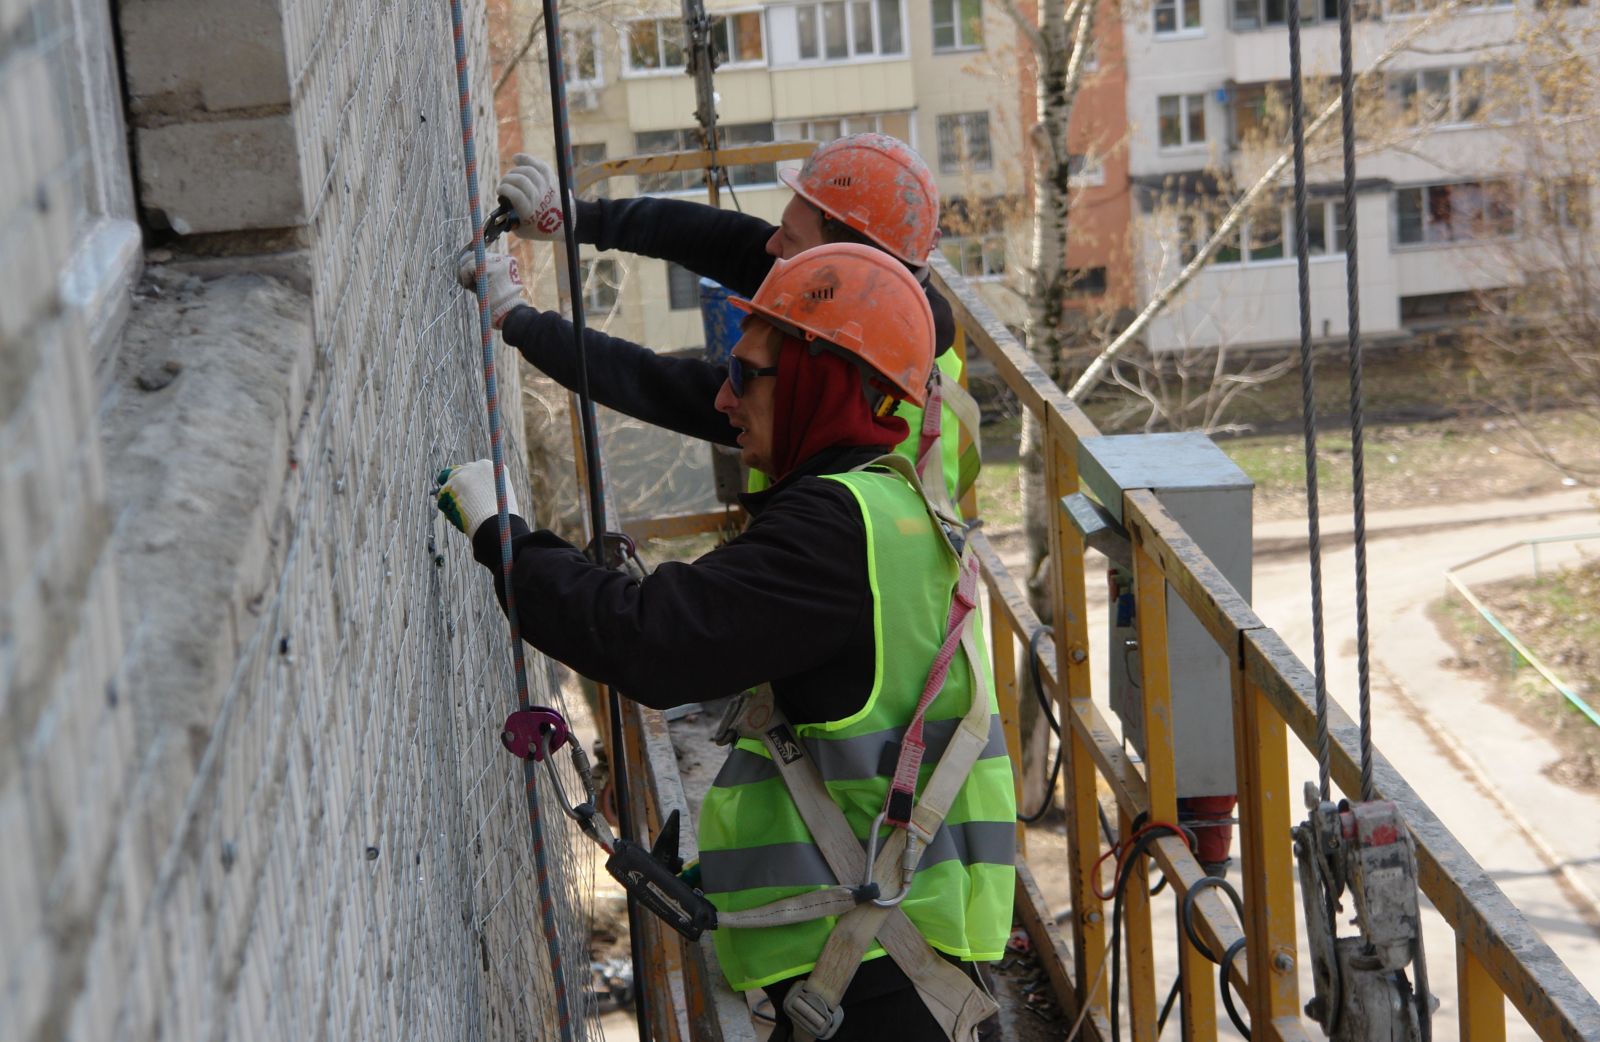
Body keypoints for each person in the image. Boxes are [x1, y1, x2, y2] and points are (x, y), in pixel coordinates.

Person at [437, 243, 1014, 1040]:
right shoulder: (896, 510)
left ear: (818, 380)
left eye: (745, 374)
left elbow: (652, 641)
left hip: (881, 977)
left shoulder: (833, 532)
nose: (722, 397)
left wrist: (507, 541)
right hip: (897, 964)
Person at [488, 132, 977, 503]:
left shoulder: (845, 377)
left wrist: (518, 320)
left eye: (790, 238)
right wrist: (579, 219)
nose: (772, 246)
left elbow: (661, 387)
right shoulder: (873, 304)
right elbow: (723, 241)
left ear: (849, 258)